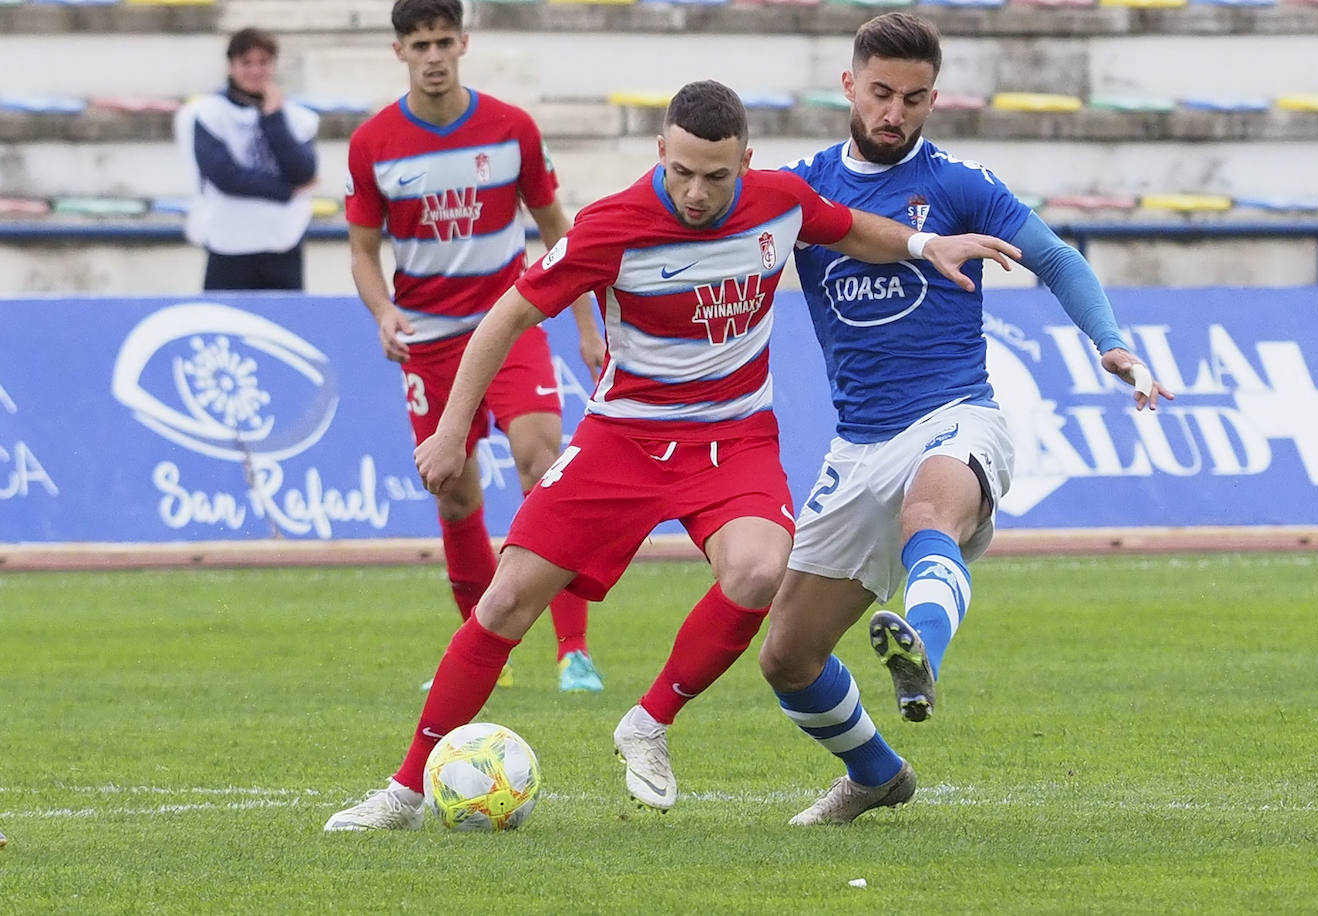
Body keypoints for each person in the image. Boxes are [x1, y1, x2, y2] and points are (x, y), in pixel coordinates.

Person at [323, 78, 1020, 831]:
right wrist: (452, 432)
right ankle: (402, 792)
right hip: (621, 440)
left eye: (716, 177)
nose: (695, 192)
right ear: (661, 151)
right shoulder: (611, 225)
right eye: (681, 171)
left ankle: (650, 722)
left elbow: (849, 227)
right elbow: (511, 313)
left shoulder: (777, 202)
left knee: (758, 570)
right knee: (506, 600)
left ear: (745, 163)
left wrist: (925, 244)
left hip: (733, 439)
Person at [757, 11, 1175, 826]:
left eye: (913, 99)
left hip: (955, 415)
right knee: (787, 657)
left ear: (933, 99)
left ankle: (920, 655)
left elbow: (1054, 258)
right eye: (880, 93)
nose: (894, 113)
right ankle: (876, 772)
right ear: (849, 85)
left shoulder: (956, 184)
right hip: (857, 443)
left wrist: (1111, 345)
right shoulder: (803, 190)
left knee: (929, 508)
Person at [345, 0, 608, 693]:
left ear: (463, 42)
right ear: (398, 51)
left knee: (544, 463)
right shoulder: (373, 144)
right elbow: (364, 252)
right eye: (418, 44)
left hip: (510, 328)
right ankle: (489, 651)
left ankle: (573, 651)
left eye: (442, 41)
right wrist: (382, 311)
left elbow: (562, 235)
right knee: (455, 498)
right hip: (428, 346)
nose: (433, 56)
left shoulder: (511, 129)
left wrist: (586, 327)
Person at [175, 27, 319, 291]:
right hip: (229, 244)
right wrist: (285, 191)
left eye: (263, 62)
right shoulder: (208, 114)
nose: (255, 71)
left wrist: (273, 118)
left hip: (281, 243)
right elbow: (225, 175)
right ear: (231, 66)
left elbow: (303, 171)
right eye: (246, 63)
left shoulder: (296, 117)